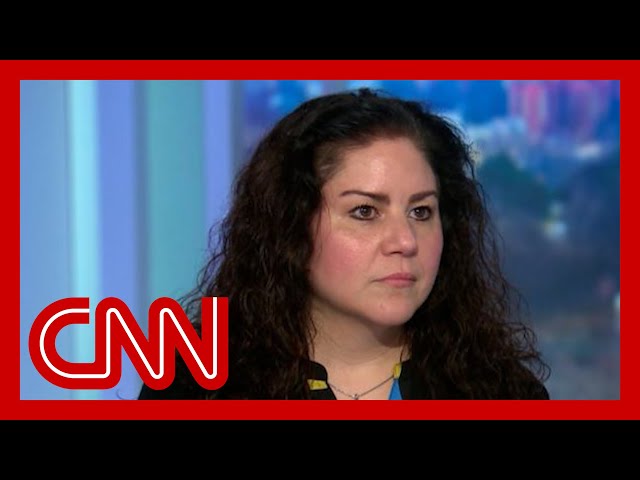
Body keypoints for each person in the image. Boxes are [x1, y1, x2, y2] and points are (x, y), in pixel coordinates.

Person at [138, 87, 551, 400]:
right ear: (291, 224)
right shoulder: (195, 388)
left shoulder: (502, 392)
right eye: (365, 211)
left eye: (421, 211)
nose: (405, 241)